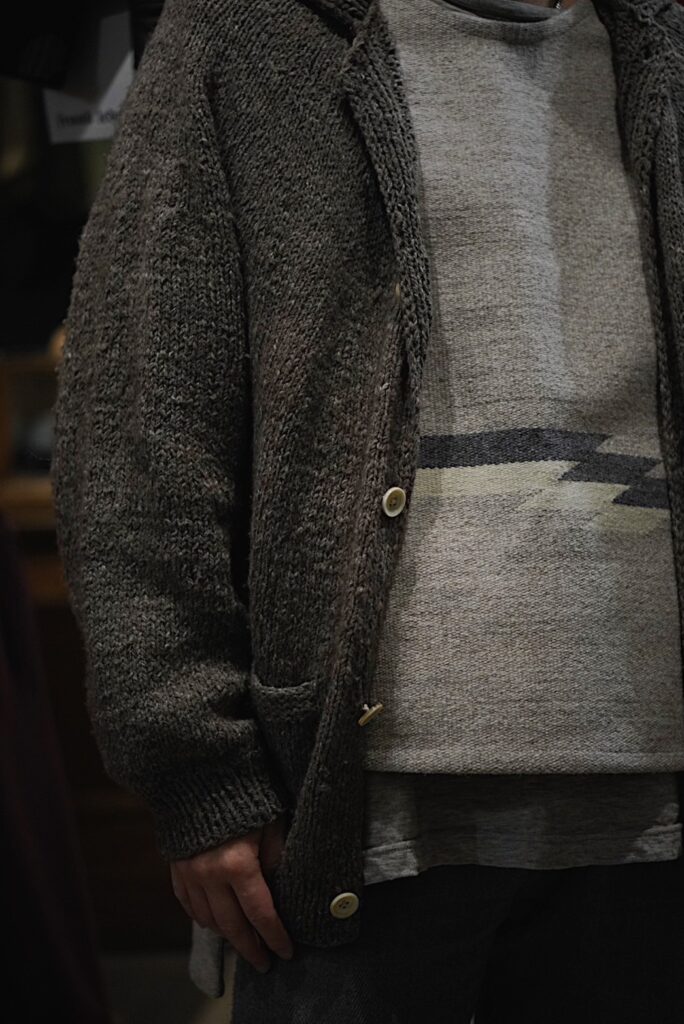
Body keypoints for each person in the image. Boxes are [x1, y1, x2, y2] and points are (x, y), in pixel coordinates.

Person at [51, 0, 684, 1020]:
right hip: (352, 821)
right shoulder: (254, 33)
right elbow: (142, 418)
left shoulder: (658, 42)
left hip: (658, 807)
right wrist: (196, 771)